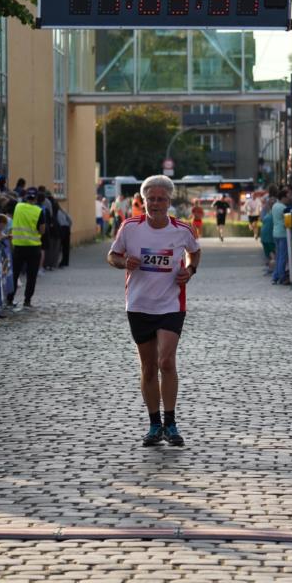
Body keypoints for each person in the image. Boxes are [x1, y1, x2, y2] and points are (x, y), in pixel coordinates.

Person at [107, 174, 200, 448]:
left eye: (161, 199)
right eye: (151, 199)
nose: (156, 204)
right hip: (139, 305)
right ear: (143, 200)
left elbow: (195, 252)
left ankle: (171, 423)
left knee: (166, 362)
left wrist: (190, 270)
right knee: (148, 368)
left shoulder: (182, 229)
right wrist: (124, 261)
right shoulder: (130, 227)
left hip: (171, 304)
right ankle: (154, 424)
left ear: (169, 202)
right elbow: (112, 256)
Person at [7, 188, 46, 309]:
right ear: (36, 199)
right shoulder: (39, 211)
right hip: (34, 247)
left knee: (15, 274)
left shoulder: (18, 207)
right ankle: (27, 301)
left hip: (18, 246)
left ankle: (9, 299)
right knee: (31, 276)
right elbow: (42, 230)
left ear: (26, 197)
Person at [271, 187, 290, 284]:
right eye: (287, 197)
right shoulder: (284, 208)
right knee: (283, 256)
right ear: (283, 197)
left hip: (275, 233)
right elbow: (288, 223)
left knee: (278, 256)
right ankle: (282, 276)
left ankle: (275, 276)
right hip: (283, 234)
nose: (289, 199)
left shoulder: (274, 206)